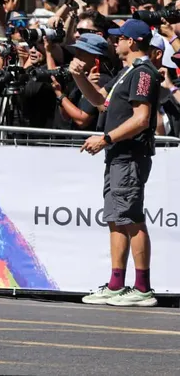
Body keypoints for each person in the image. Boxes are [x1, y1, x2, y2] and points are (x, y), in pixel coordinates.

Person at [76, 19, 161, 307]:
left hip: (129, 155)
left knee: (131, 218)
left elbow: (141, 119)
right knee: (116, 219)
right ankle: (115, 284)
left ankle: (142, 288)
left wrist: (106, 139)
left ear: (133, 42)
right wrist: (78, 77)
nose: (115, 42)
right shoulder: (128, 72)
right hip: (118, 155)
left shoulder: (143, 73)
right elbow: (101, 101)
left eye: (120, 38)